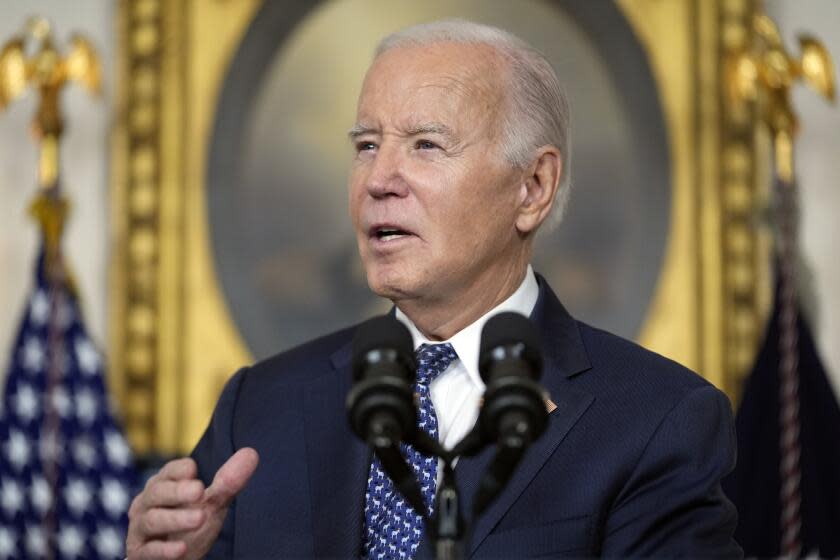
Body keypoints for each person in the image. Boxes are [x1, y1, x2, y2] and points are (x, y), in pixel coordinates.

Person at [125, 20, 742, 559]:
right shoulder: (258, 409)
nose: (379, 179)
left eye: (426, 144)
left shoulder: (658, 422)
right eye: (366, 146)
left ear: (532, 187)